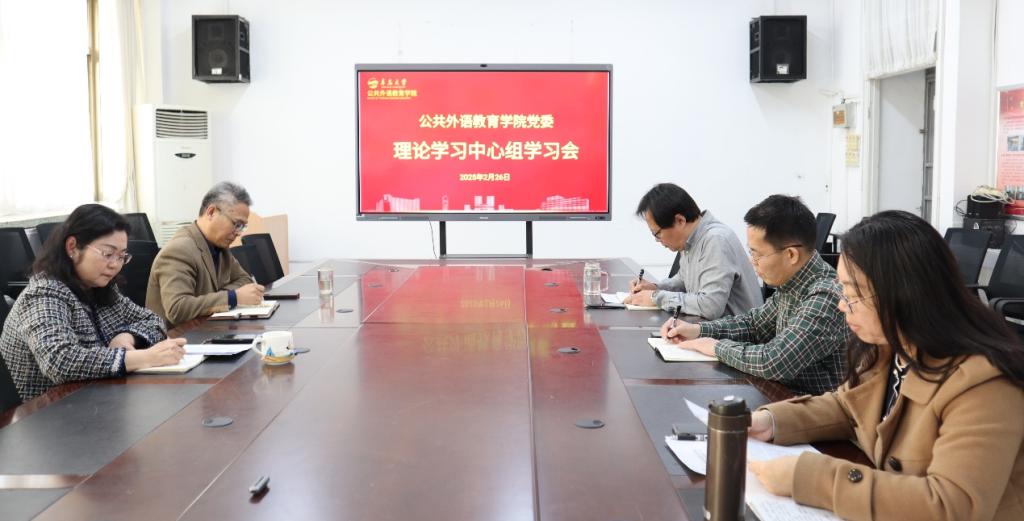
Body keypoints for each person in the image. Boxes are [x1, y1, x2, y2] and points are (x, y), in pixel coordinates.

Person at [747, 210, 1024, 521]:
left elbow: (951, 505)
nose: (842, 305)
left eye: (853, 294)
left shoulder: (984, 384)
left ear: (903, 294)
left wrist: (814, 478)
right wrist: (770, 421)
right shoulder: (888, 346)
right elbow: (848, 406)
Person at [662, 195, 847, 395]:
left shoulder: (825, 295)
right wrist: (698, 330)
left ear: (791, 255)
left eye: (757, 254)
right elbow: (754, 325)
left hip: (813, 406)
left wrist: (716, 347)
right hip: (784, 395)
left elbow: (775, 361)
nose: (752, 262)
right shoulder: (794, 282)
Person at [0, 204, 186, 402]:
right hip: (46, 410)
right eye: (107, 254)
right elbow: (60, 361)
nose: (115, 264)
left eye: (122, 256)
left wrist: (127, 337)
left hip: (96, 398)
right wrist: (145, 358)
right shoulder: (43, 294)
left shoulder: (101, 288)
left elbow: (153, 320)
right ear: (72, 247)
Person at [624, 183, 763, 319]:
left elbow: (710, 306)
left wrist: (656, 298)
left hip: (739, 331)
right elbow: (684, 281)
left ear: (680, 220)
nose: (657, 240)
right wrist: (655, 288)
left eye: (657, 233)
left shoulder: (716, 240)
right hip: (711, 327)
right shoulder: (690, 240)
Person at [147, 182, 264, 327]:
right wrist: (232, 297)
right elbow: (177, 308)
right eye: (236, 224)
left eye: (242, 226)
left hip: (208, 329)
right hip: (178, 336)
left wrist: (220, 296)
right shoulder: (179, 250)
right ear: (211, 212)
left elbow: (245, 280)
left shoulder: (220, 246)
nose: (238, 233)